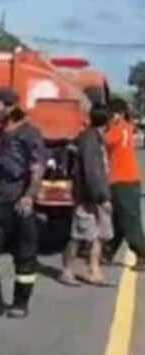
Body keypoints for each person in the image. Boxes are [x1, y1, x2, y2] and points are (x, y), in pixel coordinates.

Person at [0, 87, 44, 318]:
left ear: (10, 107)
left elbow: (37, 167)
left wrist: (29, 196)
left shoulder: (29, 133)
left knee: (24, 255)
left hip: (20, 200)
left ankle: (20, 303)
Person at [62, 105, 113, 285]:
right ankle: (67, 270)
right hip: (88, 196)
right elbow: (92, 172)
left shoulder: (96, 138)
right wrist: (101, 197)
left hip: (97, 193)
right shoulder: (90, 140)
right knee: (79, 235)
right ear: (107, 121)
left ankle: (94, 270)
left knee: (98, 235)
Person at [104, 98, 145, 270]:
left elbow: (105, 141)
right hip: (128, 179)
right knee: (118, 219)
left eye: (110, 114)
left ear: (118, 115)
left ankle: (142, 254)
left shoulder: (117, 128)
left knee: (128, 220)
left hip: (122, 180)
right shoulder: (127, 127)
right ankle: (108, 250)